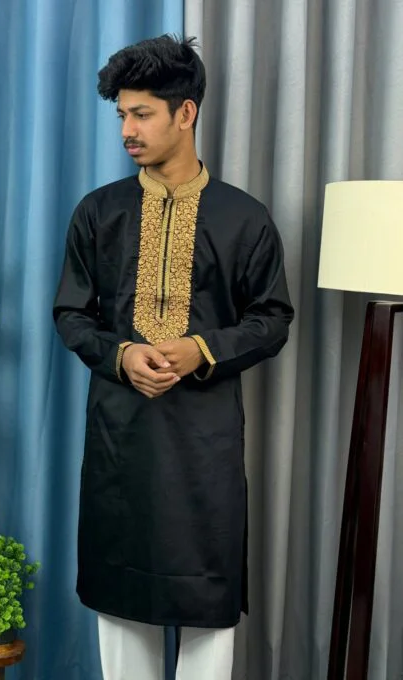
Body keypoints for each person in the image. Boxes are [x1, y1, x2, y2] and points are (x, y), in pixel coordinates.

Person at [53, 34, 294, 680]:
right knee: (121, 598)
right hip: (120, 438)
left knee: (208, 603)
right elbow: (71, 314)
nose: (126, 131)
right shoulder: (98, 214)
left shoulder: (244, 218)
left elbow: (273, 319)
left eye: (141, 114)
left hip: (203, 443)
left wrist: (200, 349)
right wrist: (123, 354)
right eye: (122, 115)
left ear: (185, 113)